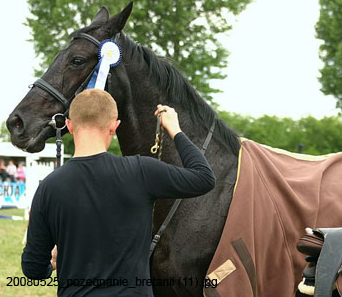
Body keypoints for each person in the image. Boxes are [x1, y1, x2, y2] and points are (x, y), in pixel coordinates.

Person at [21, 88, 216, 296]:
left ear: (69, 125)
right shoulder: (141, 171)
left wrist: (51, 264)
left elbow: (33, 269)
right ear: (114, 127)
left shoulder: (49, 187)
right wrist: (175, 130)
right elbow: (204, 177)